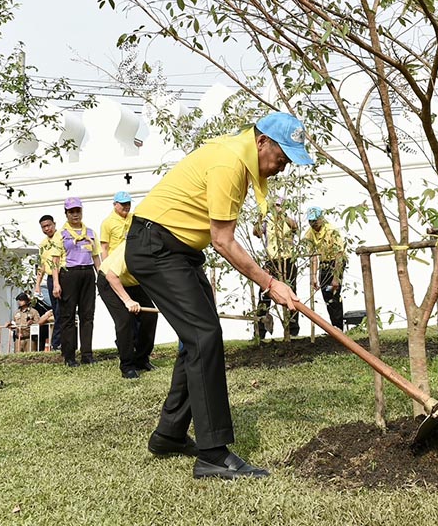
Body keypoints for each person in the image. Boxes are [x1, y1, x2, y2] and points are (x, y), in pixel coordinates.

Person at [125, 112, 313, 479]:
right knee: (203, 336)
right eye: (282, 157)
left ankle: (169, 434)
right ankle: (212, 454)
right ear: (262, 142)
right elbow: (223, 241)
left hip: (178, 251)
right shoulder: (230, 162)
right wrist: (271, 283)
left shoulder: (238, 158)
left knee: (199, 338)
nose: (283, 167)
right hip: (156, 248)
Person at [97, 241, 157, 379]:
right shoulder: (133, 247)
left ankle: (141, 360)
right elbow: (111, 276)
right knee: (125, 319)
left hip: (133, 283)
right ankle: (127, 366)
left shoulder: (160, 251)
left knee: (150, 316)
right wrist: (127, 300)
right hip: (109, 280)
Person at [53, 197, 101, 367]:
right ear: (66, 213)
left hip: (87, 272)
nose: (75, 214)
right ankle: (69, 356)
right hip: (69, 274)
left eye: (77, 211)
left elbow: (96, 257)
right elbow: (55, 261)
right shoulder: (61, 234)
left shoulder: (90, 233)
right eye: (71, 211)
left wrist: (101, 277)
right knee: (68, 316)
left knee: (87, 315)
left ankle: (87, 354)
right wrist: (56, 283)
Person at [253, 196, 300, 338]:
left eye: (278, 206)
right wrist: (261, 216)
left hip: (287, 261)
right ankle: (260, 332)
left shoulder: (289, 221)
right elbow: (256, 232)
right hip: (271, 261)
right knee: (264, 294)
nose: (276, 209)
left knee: (291, 293)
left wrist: (282, 215)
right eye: (274, 206)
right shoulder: (267, 222)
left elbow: (295, 227)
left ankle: (292, 331)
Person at [303, 207, 347, 331]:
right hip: (324, 263)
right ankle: (334, 327)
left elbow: (339, 255)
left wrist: (336, 277)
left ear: (321, 219)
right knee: (326, 294)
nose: (313, 224)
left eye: (315, 221)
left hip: (336, 262)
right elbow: (313, 256)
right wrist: (313, 277)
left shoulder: (331, 230)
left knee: (334, 292)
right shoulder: (309, 233)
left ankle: (339, 327)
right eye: (311, 221)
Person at [33, 214, 63, 350]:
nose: (47, 229)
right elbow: (42, 265)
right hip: (51, 278)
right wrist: (37, 285)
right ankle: (57, 343)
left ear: (54, 224)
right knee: (56, 311)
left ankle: (58, 342)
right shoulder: (43, 244)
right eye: (43, 227)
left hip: (64, 275)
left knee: (63, 310)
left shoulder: (62, 237)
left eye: (48, 225)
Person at [100, 191, 133, 260]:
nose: (127, 206)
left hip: (132, 259)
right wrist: (106, 265)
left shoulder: (134, 218)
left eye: (128, 203)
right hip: (115, 261)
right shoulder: (107, 222)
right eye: (123, 204)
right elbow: (104, 247)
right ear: (115, 204)